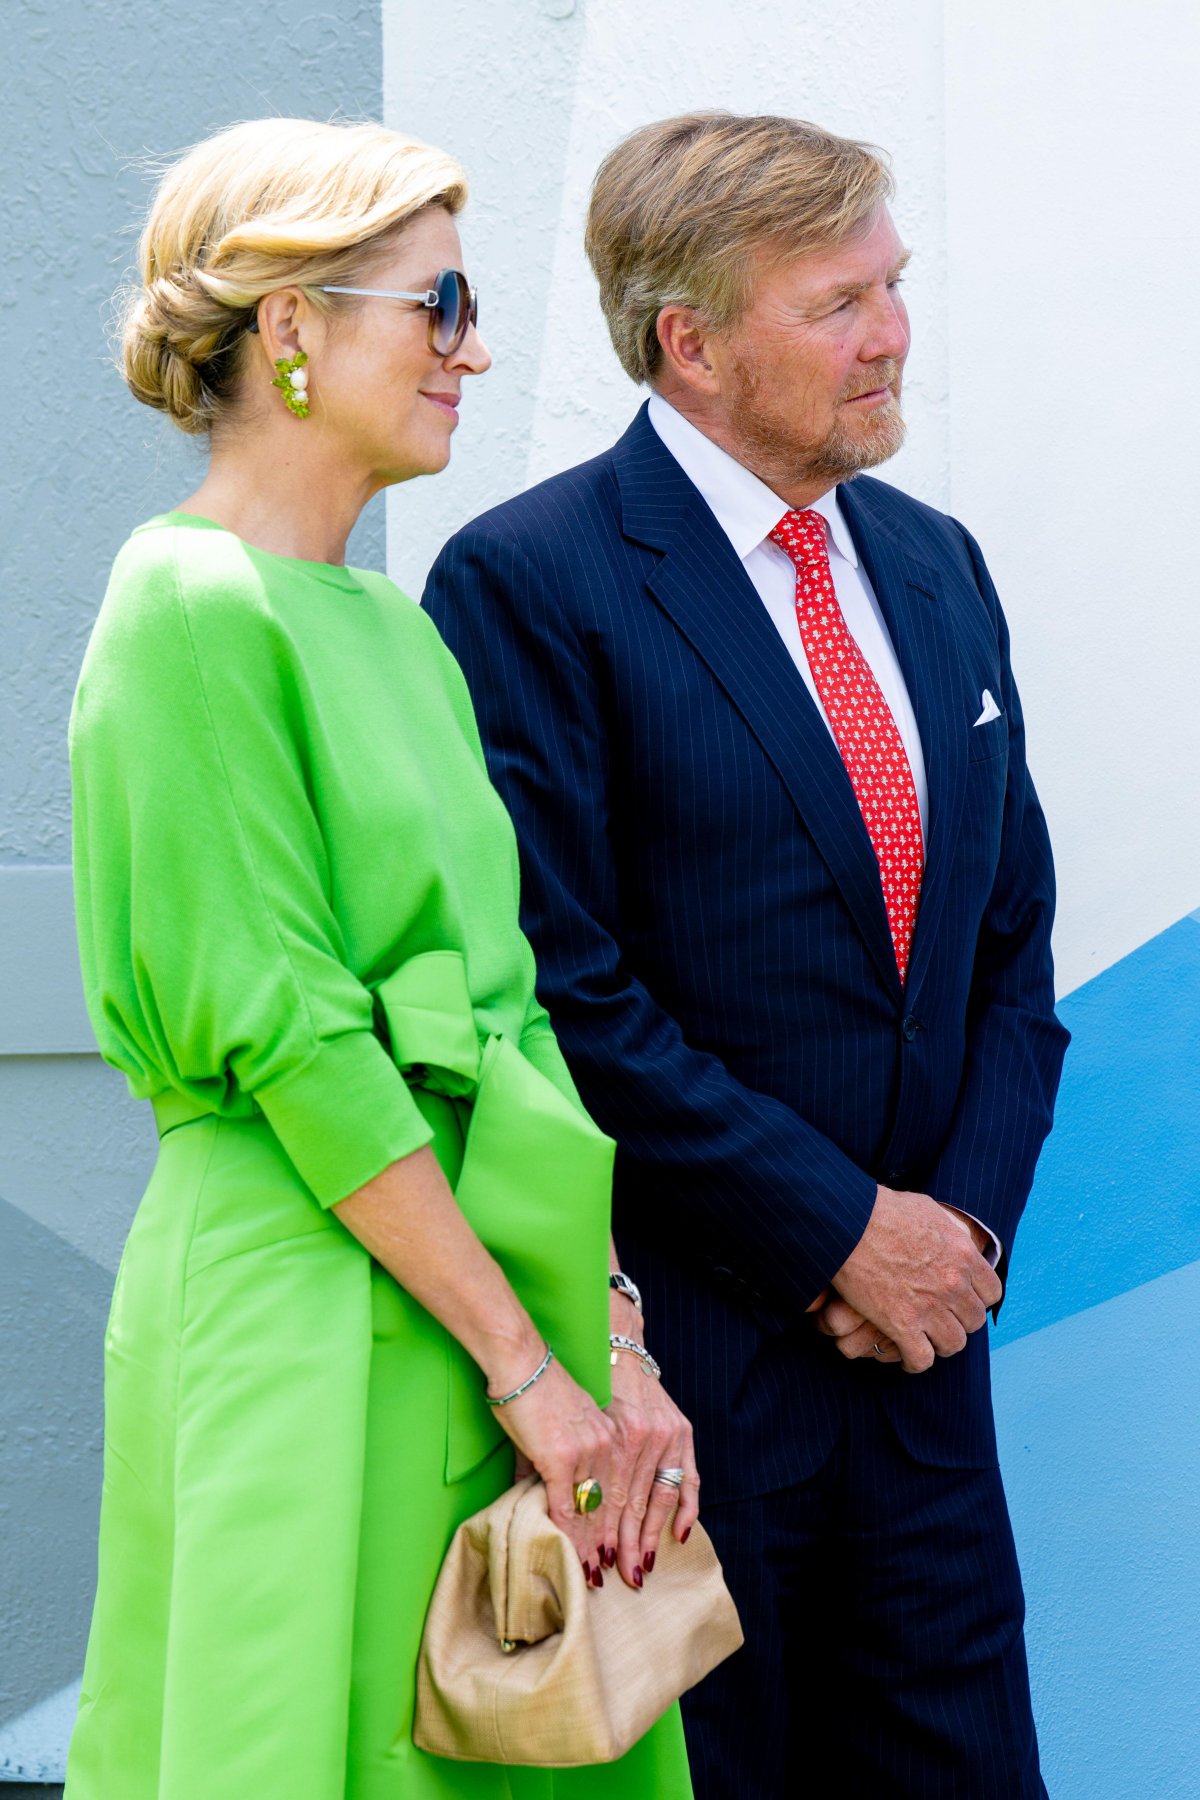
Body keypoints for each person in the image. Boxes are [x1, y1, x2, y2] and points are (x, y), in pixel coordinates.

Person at [423, 111, 1070, 1798]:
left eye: (892, 286)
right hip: (688, 1401)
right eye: (838, 303)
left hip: (927, 1379)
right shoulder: (531, 581)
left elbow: (1010, 953)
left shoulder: (933, 565)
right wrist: (839, 1234)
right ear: (690, 345)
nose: (891, 335)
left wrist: (956, 1240)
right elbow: (561, 992)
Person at [65, 116, 697, 1800]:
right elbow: (296, 1039)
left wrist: (613, 1350)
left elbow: (517, 1020)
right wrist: (532, 1368)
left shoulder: (398, 634)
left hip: (483, 1306)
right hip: (301, 1303)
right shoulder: (189, 604)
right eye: (442, 305)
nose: (471, 351)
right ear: (291, 325)